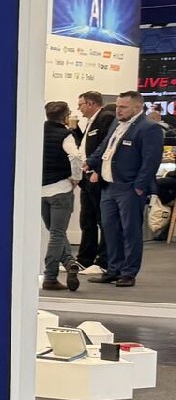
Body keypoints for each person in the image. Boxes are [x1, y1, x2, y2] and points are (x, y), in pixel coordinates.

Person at [95, 88, 166, 289]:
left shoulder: (149, 128)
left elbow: (151, 161)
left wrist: (139, 187)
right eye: (118, 106)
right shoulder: (116, 123)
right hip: (109, 186)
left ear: (138, 107)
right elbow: (105, 147)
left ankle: (128, 272)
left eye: (123, 107)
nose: (118, 110)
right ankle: (113, 269)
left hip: (129, 188)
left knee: (130, 231)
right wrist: (91, 162)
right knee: (110, 230)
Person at [40, 101, 84, 292]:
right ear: (66, 116)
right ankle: (50, 276)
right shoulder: (65, 135)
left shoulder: (37, 132)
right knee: (57, 233)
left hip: (41, 190)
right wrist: (76, 177)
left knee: (53, 230)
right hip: (61, 189)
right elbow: (75, 156)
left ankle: (69, 262)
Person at [75, 90, 115, 275]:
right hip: (86, 176)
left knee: (102, 219)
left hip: (96, 176)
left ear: (90, 103)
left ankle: (103, 260)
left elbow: (106, 146)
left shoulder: (105, 118)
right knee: (87, 219)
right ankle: (85, 259)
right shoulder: (91, 122)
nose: (79, 109)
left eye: (81, 105)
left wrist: (97, 170)